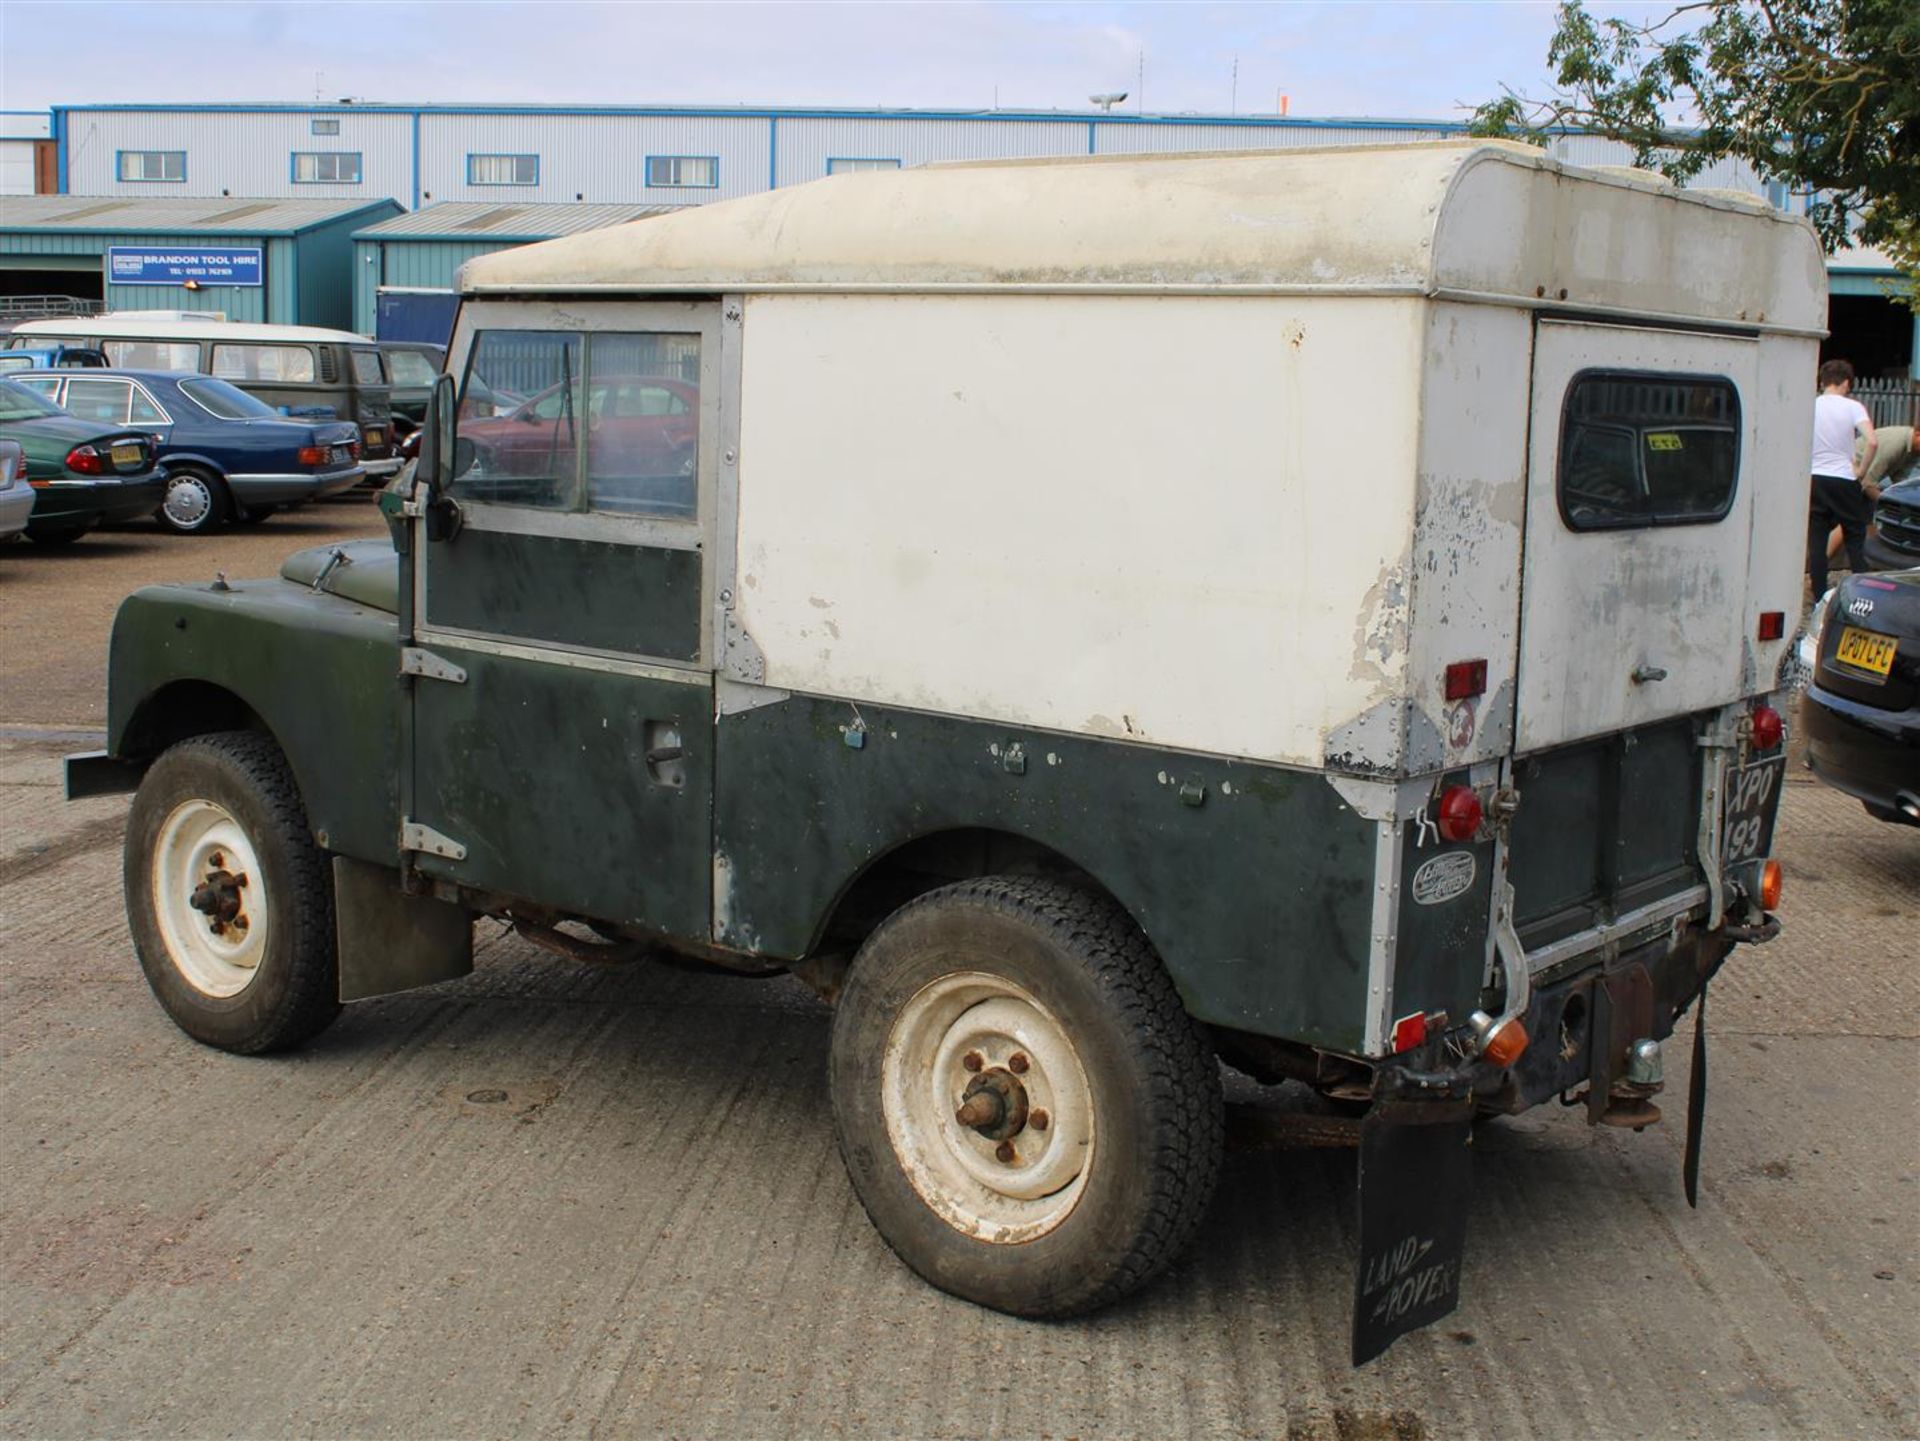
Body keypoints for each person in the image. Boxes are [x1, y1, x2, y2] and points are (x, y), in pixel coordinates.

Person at [1806, 359, 1877, 597]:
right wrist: (1861, 471)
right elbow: (1872, 441)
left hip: (1815, 477)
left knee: (1817, 541)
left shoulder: (1810, 406)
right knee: (1854, 537)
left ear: (1822, 381)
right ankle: (1863, 595)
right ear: (1846, 381)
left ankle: (1819, 598)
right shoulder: (1853, 407)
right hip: (1843, 478)